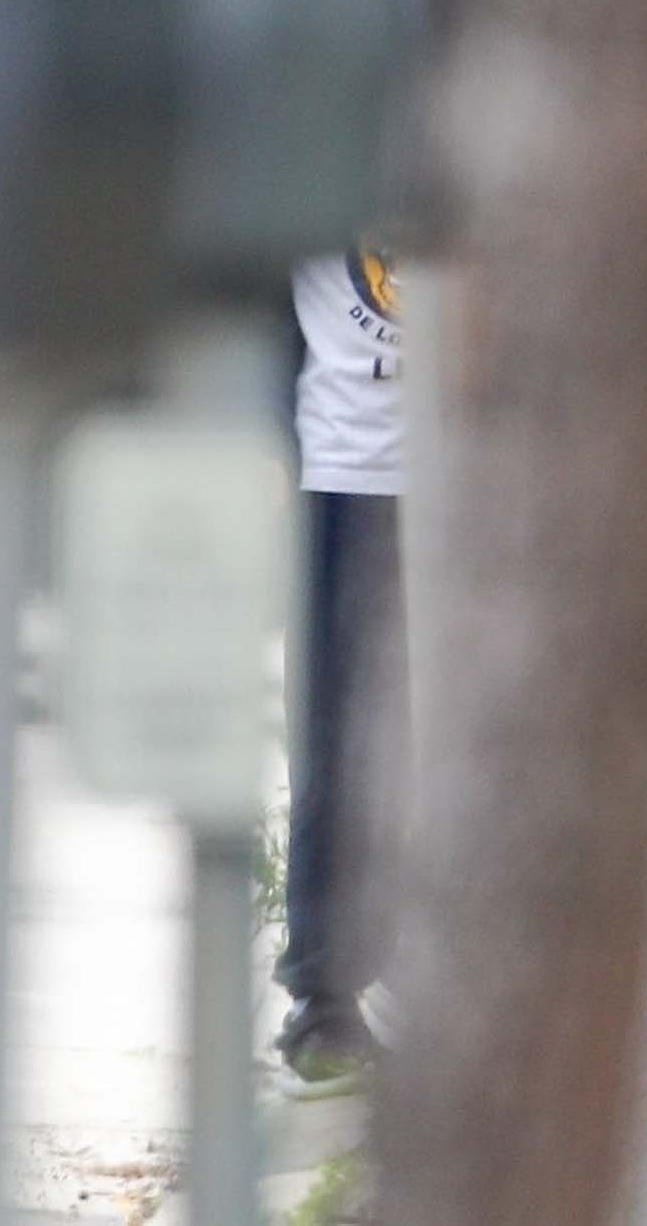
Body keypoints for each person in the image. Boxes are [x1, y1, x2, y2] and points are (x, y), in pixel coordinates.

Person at [273, 244, 409, 1094]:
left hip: (480, 474)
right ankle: (324, 999)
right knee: (340, 738)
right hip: (351, 475)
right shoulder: (323, 123)